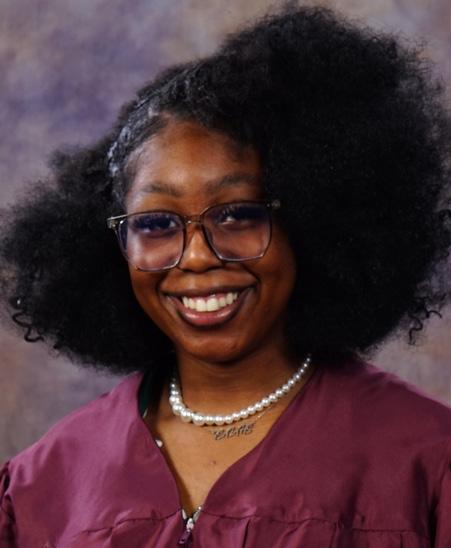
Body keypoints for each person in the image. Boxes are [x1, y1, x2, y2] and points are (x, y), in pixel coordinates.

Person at [1, 4, 451, 546]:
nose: (195, 257)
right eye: (156, 223)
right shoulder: (42, 484)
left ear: (313, 222)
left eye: (237, 215)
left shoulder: (426, 462)